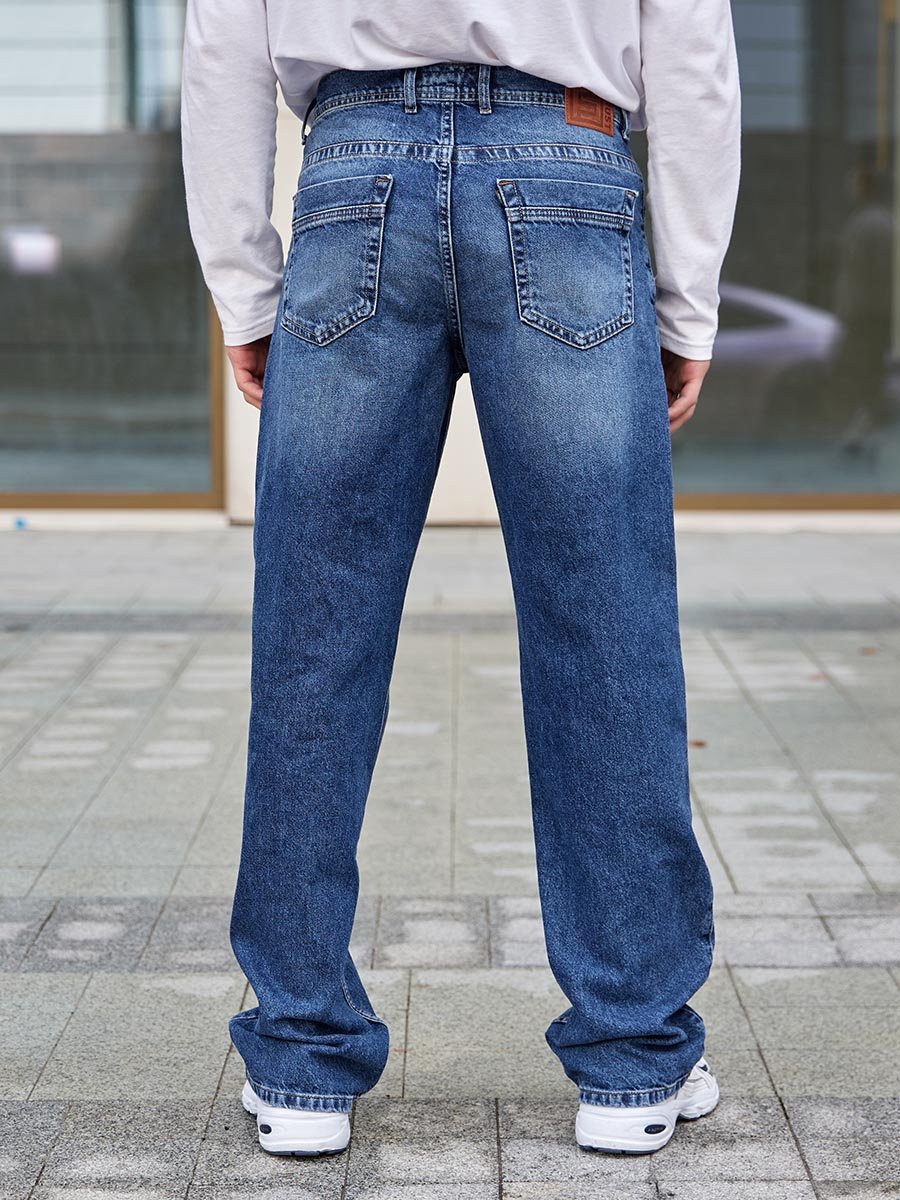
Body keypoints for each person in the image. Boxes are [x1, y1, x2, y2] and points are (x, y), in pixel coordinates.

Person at [181, 0, 741, 1159]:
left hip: (353, 178)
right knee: (607, 639)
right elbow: (691, 46)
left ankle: (299, 1061)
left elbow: (222, 37)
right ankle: (632, 1059)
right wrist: (687, 300)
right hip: (568, 171)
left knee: (313, 645)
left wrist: (243, 284)